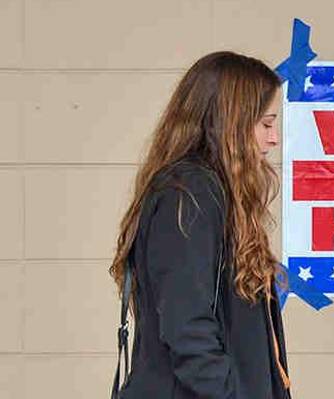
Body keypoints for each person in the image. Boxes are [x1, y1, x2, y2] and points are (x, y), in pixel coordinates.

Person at [109, 51, 291, 398]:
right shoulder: (189, 194)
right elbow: (187, 327)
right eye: (266, 124)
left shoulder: (211, 192)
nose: (274, 139)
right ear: (231, 123)